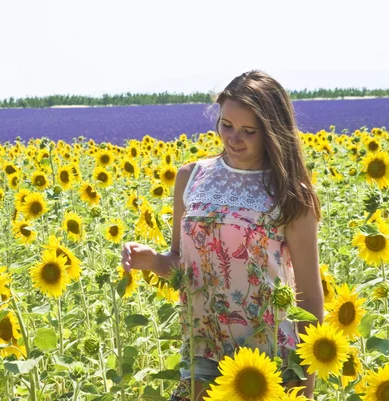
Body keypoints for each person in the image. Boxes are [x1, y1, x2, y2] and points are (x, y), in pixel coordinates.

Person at [121, 70, 324, 400]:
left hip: (268, 367)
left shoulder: (290, 194)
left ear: (272, 132)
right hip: (203, 355)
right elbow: (184, 266)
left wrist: (304, 388)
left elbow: (310, 299)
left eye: (248, 131)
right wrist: (153, 261)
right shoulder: (192, 178)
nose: (233, 138)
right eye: (226, 125)